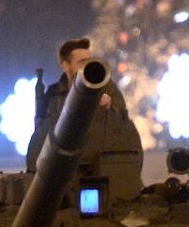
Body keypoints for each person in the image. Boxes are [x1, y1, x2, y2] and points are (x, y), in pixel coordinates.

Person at [26, 36, 128, 171]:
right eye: (81, 62)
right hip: (61, 165)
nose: (87, 66)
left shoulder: (107, 88)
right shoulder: (52, 95)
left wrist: (108, 108)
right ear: (65, 65)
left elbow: (123, 121)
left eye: (89, 61)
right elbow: (42, 131)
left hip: (100, 160)